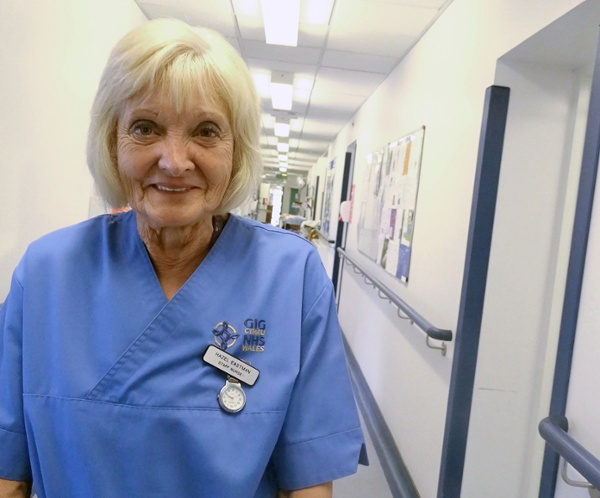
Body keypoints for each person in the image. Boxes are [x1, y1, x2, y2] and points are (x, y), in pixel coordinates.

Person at [0, 18, 367, 498]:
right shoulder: (46, 273)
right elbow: (10, 473)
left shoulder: (291, 278)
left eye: (206, 131)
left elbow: (307, 483)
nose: (175, 161)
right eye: (145, 127)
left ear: (236, 153)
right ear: (112, 142)